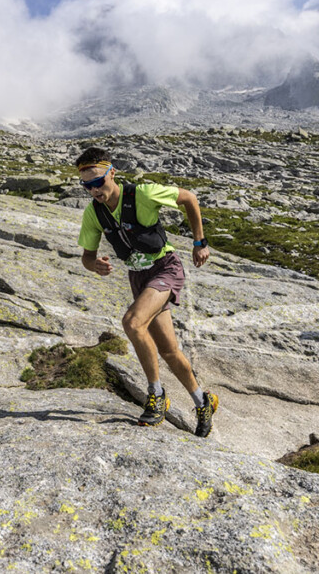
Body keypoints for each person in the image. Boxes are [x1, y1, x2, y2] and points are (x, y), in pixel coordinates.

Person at [74, 147, 218, 437]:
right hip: (138, 278)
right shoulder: (94, 214)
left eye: (98, 182)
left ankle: (156, 396)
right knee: (169, 350)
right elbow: (86, 256)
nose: (94, 190)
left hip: (165, 268)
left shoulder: (142, 194)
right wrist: (94, 265)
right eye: (86, 185)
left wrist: (199, 242)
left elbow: (189, 198)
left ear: (111, 172)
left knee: (132, 322)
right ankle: (203, 400)